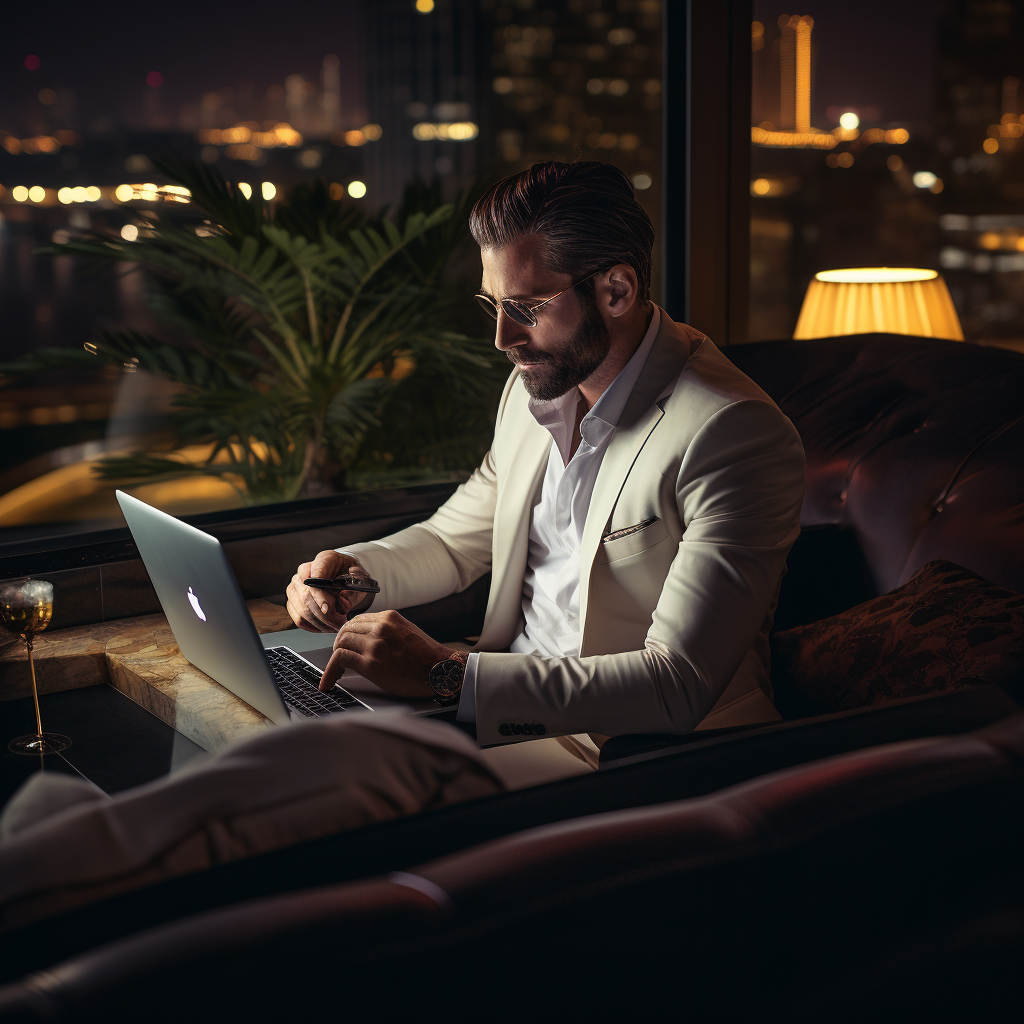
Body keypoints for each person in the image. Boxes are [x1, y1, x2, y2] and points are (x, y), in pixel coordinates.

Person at [286, 160, 805, 770]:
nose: (503, 337)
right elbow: (455, 543)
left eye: (527, 308)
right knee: (274, 755)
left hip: (639, 755)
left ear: (617, 290)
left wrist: (446, 676)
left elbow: (676, 683)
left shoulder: (732, 432)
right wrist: (352, 577)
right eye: (494, 305)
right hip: (500, 714)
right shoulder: (534, 388)